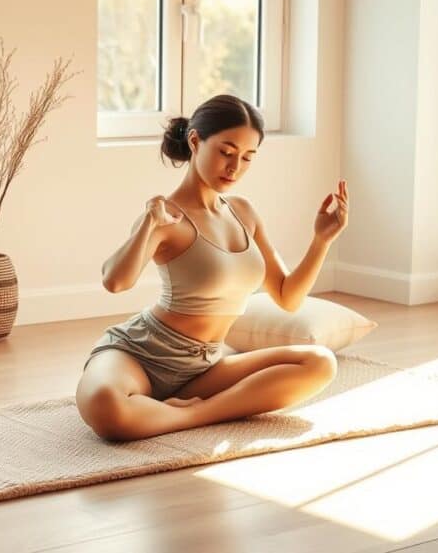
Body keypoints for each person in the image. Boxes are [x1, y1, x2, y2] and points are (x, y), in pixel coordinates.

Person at [76, 94, 350, 441]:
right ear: (195, 141)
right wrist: (148, 223)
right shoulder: (166, 215)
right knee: (105, 406)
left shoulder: (243, 213)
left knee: (320, 362)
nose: (235, 167)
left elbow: (287, 297)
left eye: (248, 157)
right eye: (226, 152)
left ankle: (194, 413)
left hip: (203, 367)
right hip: (141, 354)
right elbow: (115, 281)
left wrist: (321, 240)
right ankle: (182, 411)